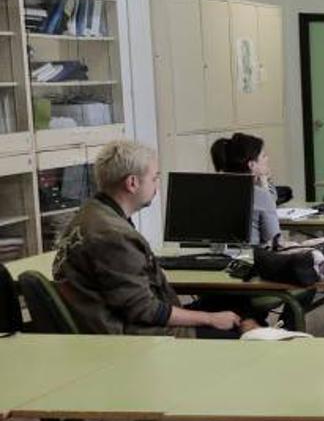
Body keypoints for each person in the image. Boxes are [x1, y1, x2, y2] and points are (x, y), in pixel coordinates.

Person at [52, 140, 253, 338]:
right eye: (154, 178)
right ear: (132, 183)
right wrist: (210, 319)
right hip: (134, 334)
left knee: (235, 304)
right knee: (238, 337)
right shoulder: (114, 235)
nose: (157, 185)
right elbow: (145, 311)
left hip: (115, 321)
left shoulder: (90, 214)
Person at [213, 132, 280, 247]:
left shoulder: (212, 189)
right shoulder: (258, 194)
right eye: (263, 156)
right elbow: (274, 241)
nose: (267, 158)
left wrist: (263, 182)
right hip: (251, 259)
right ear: (252, 165)